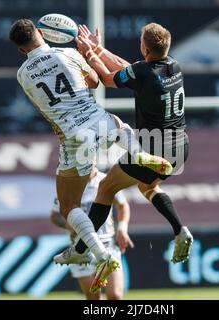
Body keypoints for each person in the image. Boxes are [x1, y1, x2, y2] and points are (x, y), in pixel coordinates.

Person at [9, 18, 171, 293]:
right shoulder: (68, 53)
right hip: (98, 120)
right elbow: (95, 82)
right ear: (40, 32)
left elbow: (43, 104)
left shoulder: (23, 73)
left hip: (73, 136)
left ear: (20, 49)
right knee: (120, 126)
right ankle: (136, 152)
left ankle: (99, 253)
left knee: (67, 205)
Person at [56, 22, 193, 270]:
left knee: (106, 188)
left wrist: (88, 54)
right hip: (180, 147)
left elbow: (109, 79)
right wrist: (99, 50)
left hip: (154, 147)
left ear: (144, 48)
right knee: (148, 186)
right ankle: (180, 230)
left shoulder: (143, 72)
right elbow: (129, 69)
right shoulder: (173, 65)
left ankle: (81, 249)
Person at [50, 165, 133, 299]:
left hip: (107, 243)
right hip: (80, 248)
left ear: (94, 160)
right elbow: (54, 216)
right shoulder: (68, 185)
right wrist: (67, 225)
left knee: (115, 295)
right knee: (93, 297)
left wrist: (122, 228)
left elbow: (123, 205)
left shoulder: (106, 180)